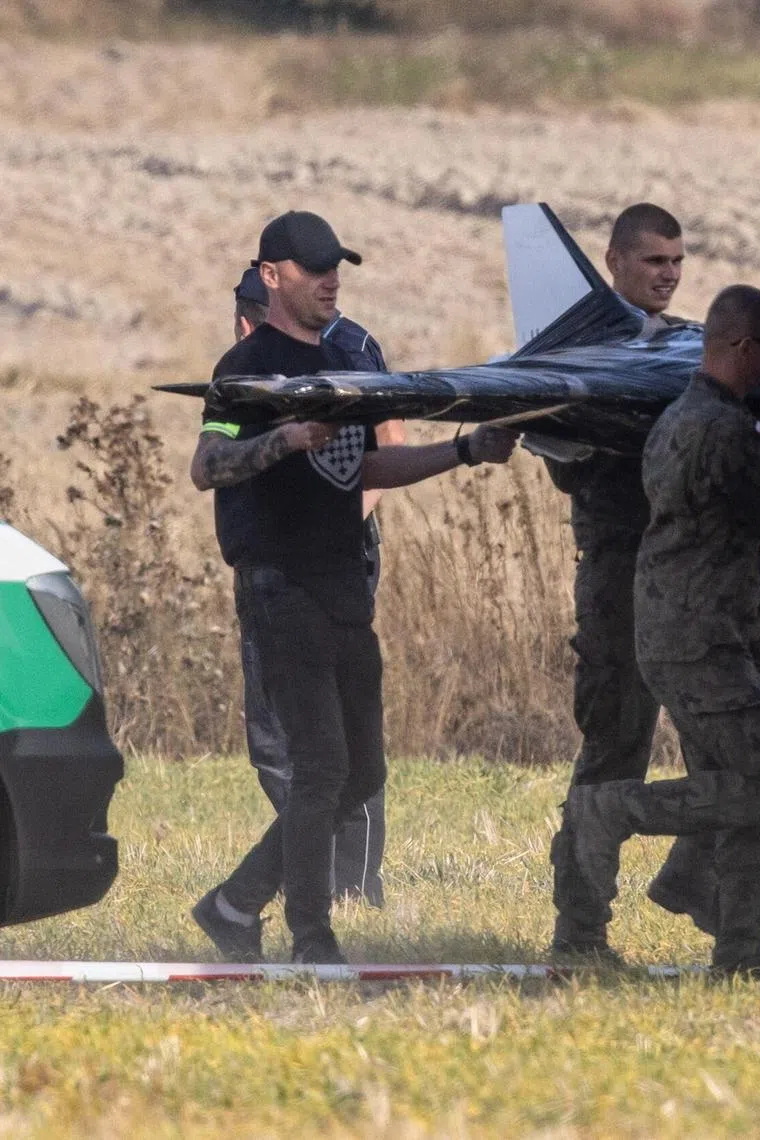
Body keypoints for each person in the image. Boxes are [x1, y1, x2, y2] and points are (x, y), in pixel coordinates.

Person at [191, 210, 517, 964]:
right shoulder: (246, 372)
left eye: (336, 265)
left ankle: (234, 903)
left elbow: (365, 469)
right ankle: (313, 936)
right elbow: (208, 466)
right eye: (313, 268)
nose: (331, 279)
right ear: (272, 277)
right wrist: (281, 438)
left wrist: (464, 449)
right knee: (321, 766)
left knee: (361, 769)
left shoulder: (346, 361)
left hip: (342, 583)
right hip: (279, 585)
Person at [553, 285, 760, 975]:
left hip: (715, 621)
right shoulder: (718, 430)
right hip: (696, 634)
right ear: (739, 348)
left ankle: (736, 941)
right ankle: (614, 812)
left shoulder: (688, 415)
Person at [545, 203, 707, 958]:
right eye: (653, 262)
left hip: (694, 572)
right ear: (612, 260)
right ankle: (580, 929)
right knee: (617, 744)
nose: (668, 275)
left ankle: (694, 873)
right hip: (618, 575)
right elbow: (558, 456)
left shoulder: (682, 346)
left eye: (676, 262)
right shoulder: (589, 353)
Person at [229, 266, 406, 908]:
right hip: (279, 563)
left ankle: (348, 885)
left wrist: (326, 530)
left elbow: (388, 447)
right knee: (285, 740)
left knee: (330, 741)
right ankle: (306, 879)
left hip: (329, 564)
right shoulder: (255, 364)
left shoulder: (351, 350)